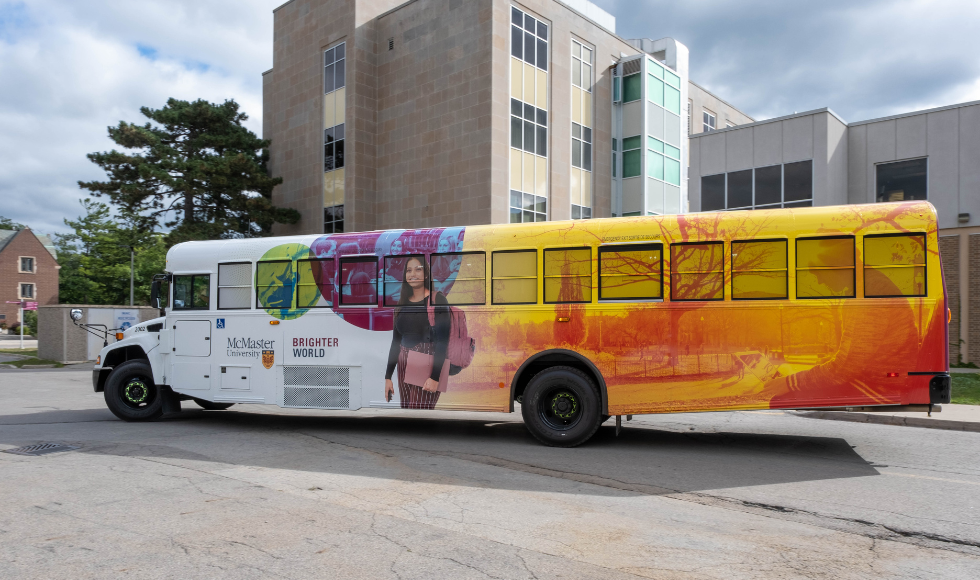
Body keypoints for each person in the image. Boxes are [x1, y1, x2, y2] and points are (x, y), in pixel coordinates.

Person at [384, 256, 451, 409]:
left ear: (426, 274)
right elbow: (395, 342)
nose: (412, 274)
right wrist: (388, 377)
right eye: (408, 270)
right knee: (408, 411)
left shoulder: (438, 299)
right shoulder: (401, 303)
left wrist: (435, 377)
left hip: (426, 361)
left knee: (419, 411)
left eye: (418, 269)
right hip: (404, 361)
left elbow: (442, 341)